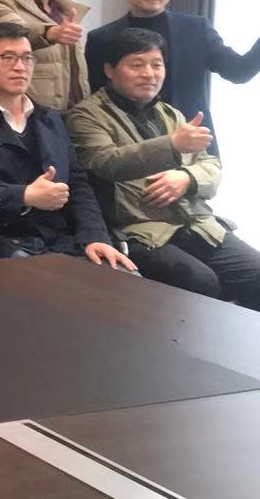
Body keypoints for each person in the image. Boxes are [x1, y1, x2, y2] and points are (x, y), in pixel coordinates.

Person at [67, 27, 260, 307]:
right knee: (200, 281)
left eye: (157, 65)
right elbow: (105, 162)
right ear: (109, 70)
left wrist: (187, 177)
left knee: (256, 272)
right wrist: (172, 145)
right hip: (140, 230)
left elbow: (210, 164)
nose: (149, 74)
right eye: (137, 65)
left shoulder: (171, 113)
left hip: (196, 224)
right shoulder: (86, 115)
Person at [0, 22, 133, 268]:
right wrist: (24, 196)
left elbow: (77, 183)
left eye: (27, 58)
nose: (20, 67)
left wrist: (95, 236)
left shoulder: (50, 119)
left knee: (124, 279)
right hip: (1, 244)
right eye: (8, 58)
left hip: (61, 241)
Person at [85, 0, 260, 154]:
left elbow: (239, 72)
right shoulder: (102, 38)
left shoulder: (196, 29)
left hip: (193, 145)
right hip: (127, 149)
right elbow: (95, 97)